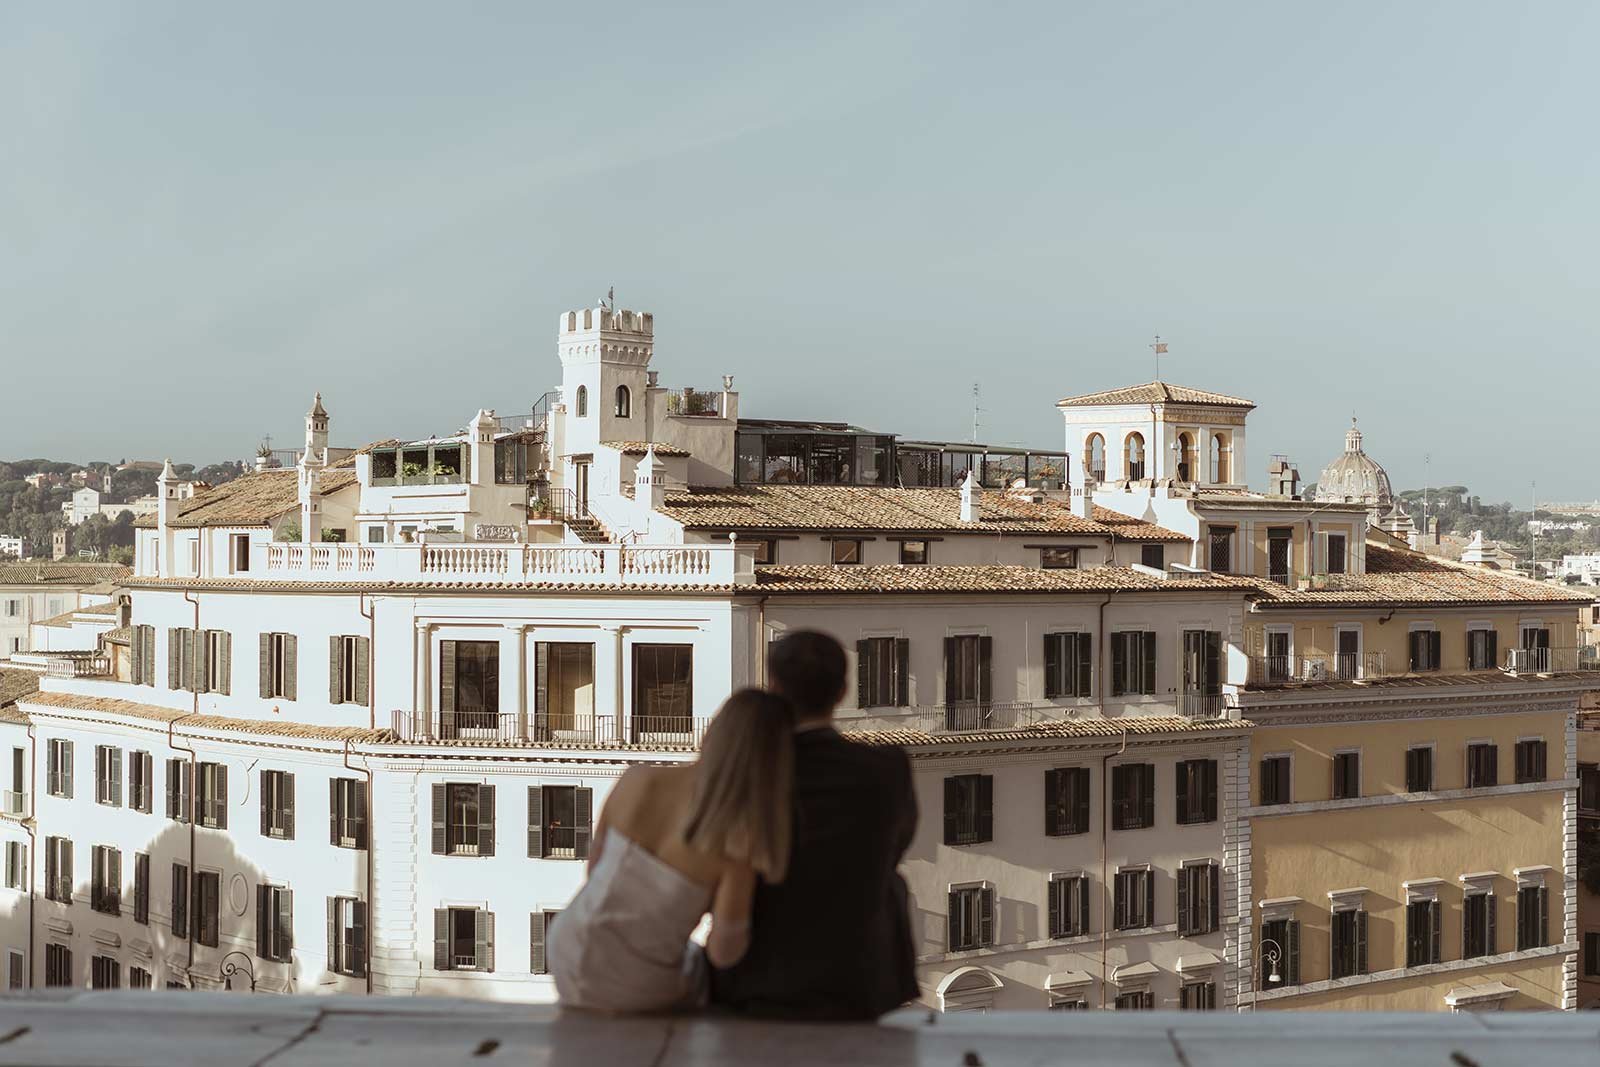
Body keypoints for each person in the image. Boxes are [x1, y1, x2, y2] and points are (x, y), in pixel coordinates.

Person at [711, 630, 919, 1019]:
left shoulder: (750, 772)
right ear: (842, 692)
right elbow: (896, 847)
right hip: (863, 981)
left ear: (773, 687)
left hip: (764, 979)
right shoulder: (888, 768)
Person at [547, 688, 795, 1013]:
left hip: (566, 947)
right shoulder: (738, 838)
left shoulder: (637, 778)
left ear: (714, 733)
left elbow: (594, 870)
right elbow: (724, 951)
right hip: (633, 981)